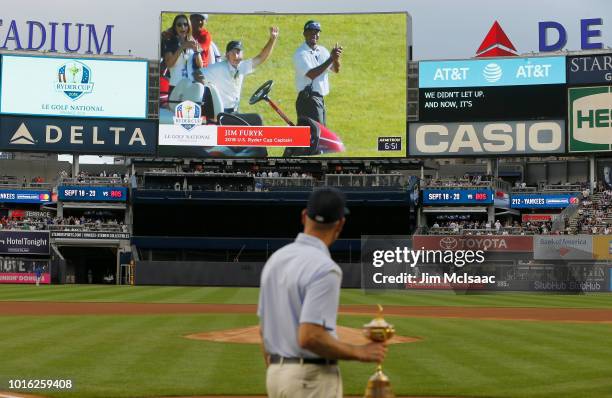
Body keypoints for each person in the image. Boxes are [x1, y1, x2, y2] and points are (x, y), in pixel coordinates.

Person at [258, 187, 386, 398]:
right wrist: (359, 352)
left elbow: (263, 330)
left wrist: (279, 372)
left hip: (276, 375)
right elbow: (310, 337)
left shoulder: (275, 260)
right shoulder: (325, 268)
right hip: (310, 379)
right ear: (340, 224)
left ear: (303, 216)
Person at [197, 27, 279, 114]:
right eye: (233, 53)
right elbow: (197, 74)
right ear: (227, 55)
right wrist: (208, 93)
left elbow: (261, 57)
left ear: (242, 54)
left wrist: (272, 40)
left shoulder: (242, 66)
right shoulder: (218, 68)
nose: (236, 56)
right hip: (220, 112)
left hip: (234, 111)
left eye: (238, 52)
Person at [293, 20, 342, 126]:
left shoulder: (322, 50)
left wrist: (336, 59)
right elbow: (311, 74)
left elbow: (335, 69)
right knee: (315, 134)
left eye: (316, 32)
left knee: (320, 133)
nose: (314, 35)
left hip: (319, 99)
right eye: (311, 31)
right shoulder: (300, 53)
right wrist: (330, 59)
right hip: (308, 99)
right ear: (304, 33)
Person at [161, 14, 203, 94]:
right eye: (179, 25)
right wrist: (181, 48)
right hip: (176, 85)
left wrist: (197, 52)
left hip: (191, 85)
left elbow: (200, 65)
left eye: (185, 24)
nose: (182, 27)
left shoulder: (192, 41)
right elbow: (169, 64)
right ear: (175, 27)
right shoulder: (170, 42)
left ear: (189, 27)